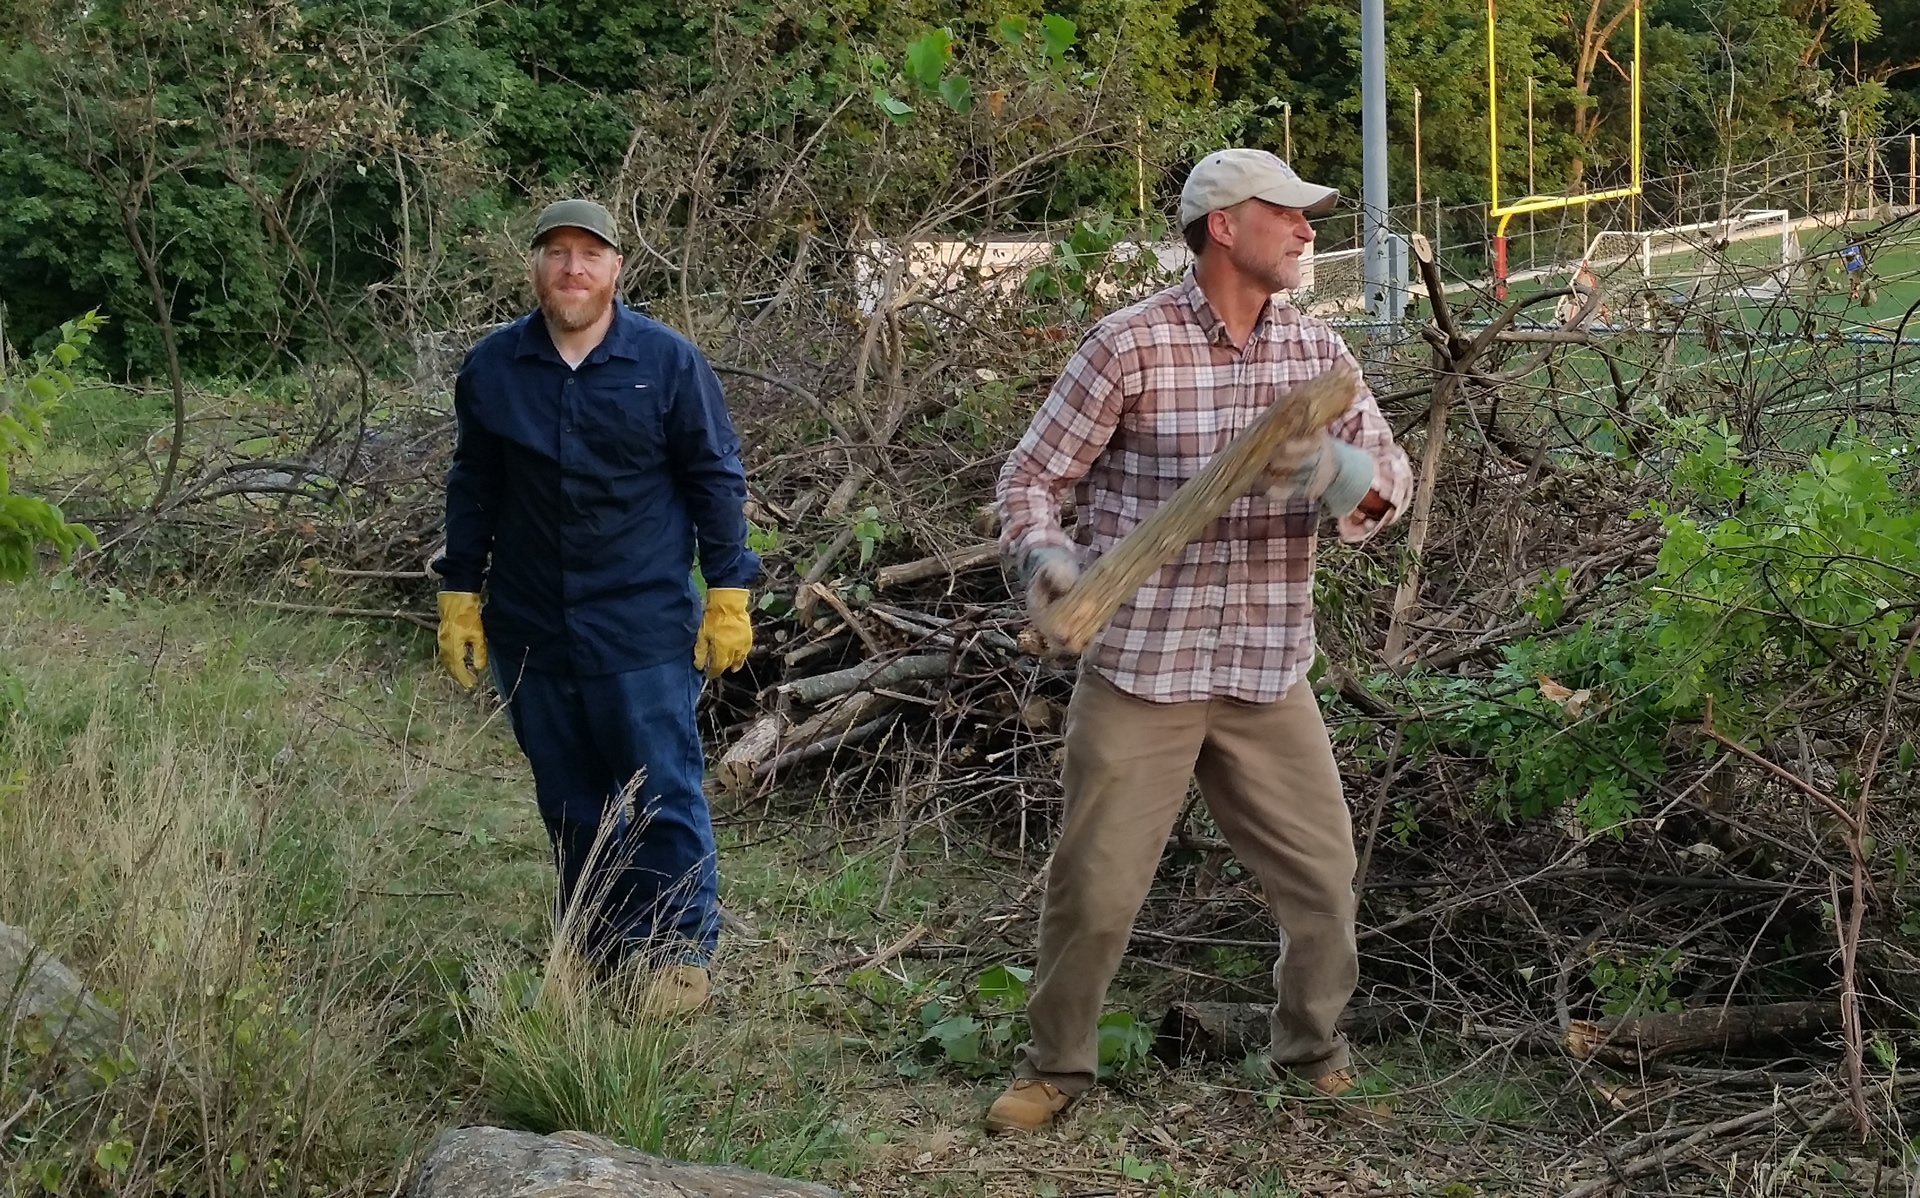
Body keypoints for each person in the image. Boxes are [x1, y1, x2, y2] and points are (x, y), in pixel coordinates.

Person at [988, 149, 1413, 1131]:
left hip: (1267, 670)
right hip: (1143, 667)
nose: (1309, 230)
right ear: (1224, 225)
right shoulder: (1127, 348)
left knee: (1324, 879)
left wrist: (1334, 470)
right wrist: (1052, 569)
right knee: (1095, 890)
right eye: (1289, 213)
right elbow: (1029, 484)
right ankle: (1059, 1066)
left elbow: (1390, 486)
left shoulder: (1319, 361)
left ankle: (1310, 1052)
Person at [434, 199, 759, 1014]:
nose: (572, 269)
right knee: (570, 795)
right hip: (532, 621)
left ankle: (679, 954)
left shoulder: (669, 363)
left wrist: (728, 590)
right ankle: (595, 945)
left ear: (618, 269)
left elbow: (714, 478)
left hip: (641, 620)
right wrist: (459, 593)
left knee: (661, 789)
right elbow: (474, 486)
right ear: (535, 267)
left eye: (589, 254)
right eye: (556, 253)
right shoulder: (493, 368)